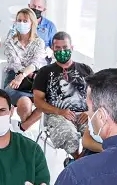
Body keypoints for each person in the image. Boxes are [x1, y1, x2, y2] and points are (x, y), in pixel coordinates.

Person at [32, 32, 93, 163]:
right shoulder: (44, 72)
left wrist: (90, 112)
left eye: (65, 47)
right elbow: (37, 101)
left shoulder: (85, 69)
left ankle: (80, 161)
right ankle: (78, 161)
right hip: (57, 115)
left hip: (84, 114)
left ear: (72, 48)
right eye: (58, 48)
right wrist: (60, 112)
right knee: (69, 135)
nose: (62, 51)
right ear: (52, 49)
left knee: (97, 135)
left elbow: (97, 96)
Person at [3, 8, 46, 132]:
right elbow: (15, 64)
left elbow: (36, 63)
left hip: (33, 82)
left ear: (32, 23)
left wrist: (23, 75)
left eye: (25, 21)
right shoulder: (10, 42)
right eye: (19, 20)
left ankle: (23, 128)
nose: (21, 23)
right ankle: (25, 132)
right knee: (25, 104)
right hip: (14, 81)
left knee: (50, 101)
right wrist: (25, 73)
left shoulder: (39, 43)